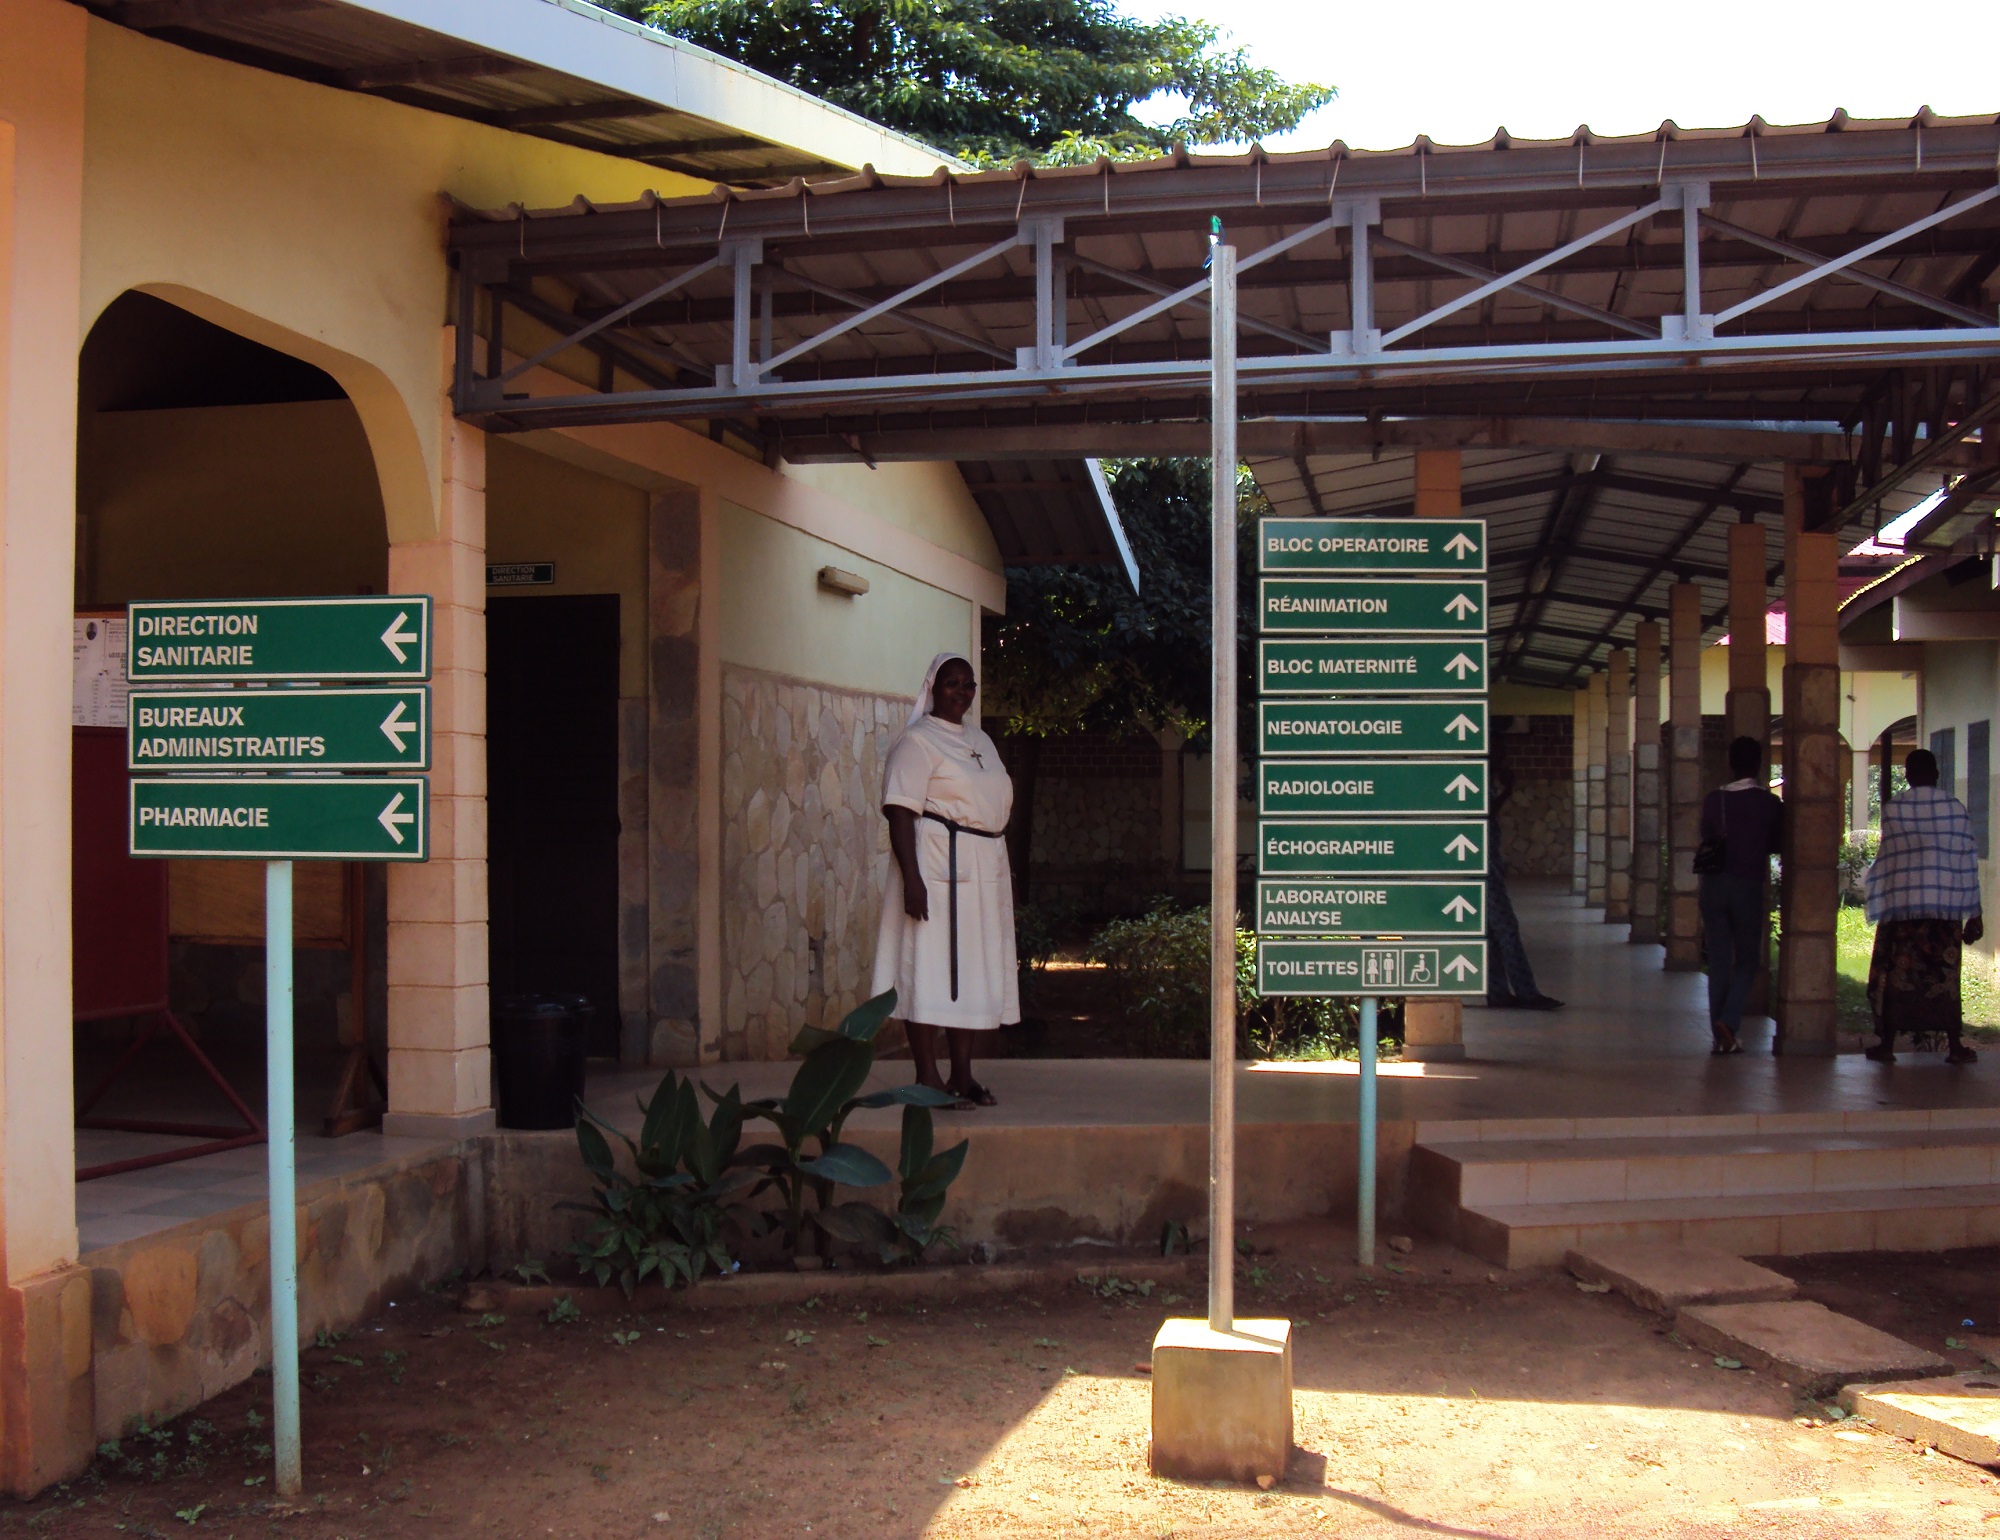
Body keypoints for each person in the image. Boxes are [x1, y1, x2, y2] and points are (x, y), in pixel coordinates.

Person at [870, 652, 1018, 1108]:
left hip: (981, 868)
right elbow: (899, 811)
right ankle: (927, 1076)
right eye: (952, 683)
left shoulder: (981, 740)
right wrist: (913, 879)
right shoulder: (917, 742)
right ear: (933, 687)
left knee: (969, 968)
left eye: (967, 684)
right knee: (928, 967)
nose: (961, 691)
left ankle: (962, 1075)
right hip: (936, 866)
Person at [1863, 747, 1983, 1065]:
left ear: (1908, 775)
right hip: (1945, 912)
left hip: (1904, 912)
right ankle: (1955, 1046)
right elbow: (1966, 861)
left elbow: (1889, 861)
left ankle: (1887, 1045)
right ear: (1937, 775)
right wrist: (1975, 912)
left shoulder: (1894, 810)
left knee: (1898, 978)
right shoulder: (1954, 809)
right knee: (1945, 979)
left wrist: (1884, 898)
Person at [1698, 736, 1783, 1055]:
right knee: (1748, 960)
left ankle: (1720, 1034)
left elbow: (1706, 835)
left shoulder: (1713, 799)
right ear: (1758, 764)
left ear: (1730, 764)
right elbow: (1776, 843)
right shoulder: (1769, 803)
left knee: (1718, 960)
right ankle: (1729, 1021)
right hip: (1747, 884)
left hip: (1714, 885)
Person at [1483, 741, 1562, 1010]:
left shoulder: (1484, 778)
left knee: (1492, 934)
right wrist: (1506, 791)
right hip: (1481, 871)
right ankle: (1527, 993)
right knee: (1506, 929)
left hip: (1489, 864)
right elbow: (1482, 816)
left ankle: (1498, 992)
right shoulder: (1475, 778)